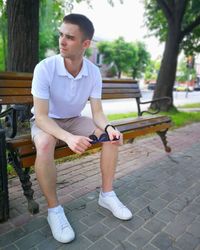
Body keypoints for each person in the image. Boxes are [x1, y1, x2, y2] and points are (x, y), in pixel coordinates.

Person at [31, 13, 132, 244]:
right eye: (61, 35)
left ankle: (106, 195)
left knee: (111, 137)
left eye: (69, 37)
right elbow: (41, 117)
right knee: (45, 143)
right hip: (47, 122)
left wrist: (109, 127)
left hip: (74, 119)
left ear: (85, 44)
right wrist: (68, 137)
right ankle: (54, 210)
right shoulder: (44, 68)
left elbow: (97, 113)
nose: (62, 41)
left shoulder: (93, 72)